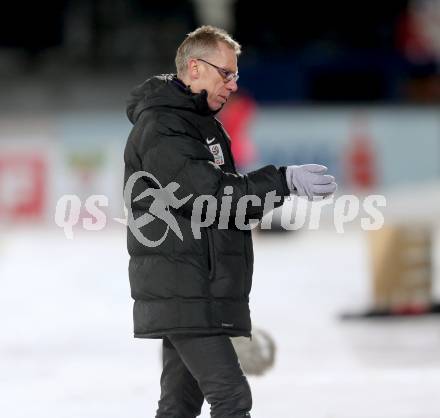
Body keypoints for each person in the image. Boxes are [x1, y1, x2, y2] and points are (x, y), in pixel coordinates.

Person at [123, 25, 337, 418]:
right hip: (185, 288)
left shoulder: (201, 124)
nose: (233, 85)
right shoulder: (163, 127)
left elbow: (226, 201)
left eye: (235, 75)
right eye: (226, 73)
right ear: (194, 68)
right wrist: (283, 180)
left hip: (195, 290)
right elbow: (213, 195)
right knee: (232, 399)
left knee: (179, 406)